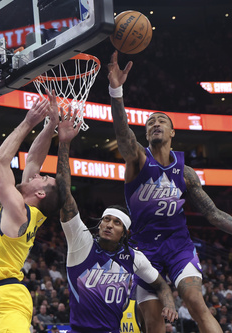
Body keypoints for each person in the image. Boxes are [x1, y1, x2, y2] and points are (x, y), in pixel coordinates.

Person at [107, 50, 232, 333]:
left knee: (195, 302)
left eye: (161, 120)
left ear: (173, 132)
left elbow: (213, 214)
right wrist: (116, 90)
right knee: (153, 321)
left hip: (178, 246)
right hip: (143, 250)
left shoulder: (185, 173)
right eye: (150, 122)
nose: (155, 123)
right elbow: (122, 135)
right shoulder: (138, 160)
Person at [55, 107, 178, 332]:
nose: (109, 225)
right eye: (106, 220)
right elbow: (64, 195)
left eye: (116, 222)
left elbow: (160, 284)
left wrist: (169, 303)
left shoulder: (134, 258)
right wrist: (64, 143)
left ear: (125, 232)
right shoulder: (82, 242)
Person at [0, 90, 61, 332]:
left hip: (5, 300)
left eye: (43, 178)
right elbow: (34, 159)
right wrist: (51, 126)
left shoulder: (18, 210)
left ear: (40, 194)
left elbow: (1, 159)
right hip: (7, 296)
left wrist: (29, 122)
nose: (37, 173)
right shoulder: (30, 210)